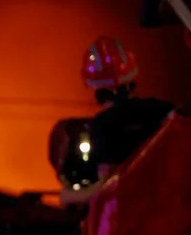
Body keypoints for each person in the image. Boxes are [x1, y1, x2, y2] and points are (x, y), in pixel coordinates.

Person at [60, 36, 175, 206]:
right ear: (131, 81)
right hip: (172, 203)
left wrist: (68, 196)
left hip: (133, 214)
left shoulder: (103, 124)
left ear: (98, 92)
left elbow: (108, 187)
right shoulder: (164, 110)